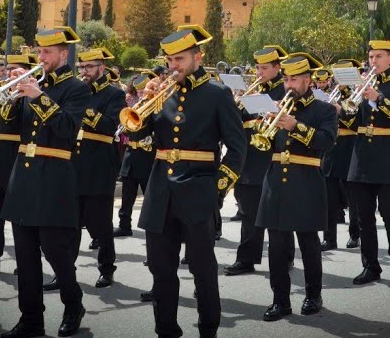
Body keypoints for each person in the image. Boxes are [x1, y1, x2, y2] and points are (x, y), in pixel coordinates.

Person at [127, 24, 246, 338]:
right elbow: (136, 132)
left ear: (198, 57)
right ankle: (166, 329)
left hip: (198, 190)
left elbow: (237, 149)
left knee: (202, 270)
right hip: (160, 192)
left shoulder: (218, 94)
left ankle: (208, 329)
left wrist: (216, 190)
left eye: (179, 59)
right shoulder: (161, 92)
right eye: (170, 60)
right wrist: (144, 100)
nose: (173, 66)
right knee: (160, 270)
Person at [0, 27, 91, 338]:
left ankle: (73, 303)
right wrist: (8, 96)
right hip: (24, 176)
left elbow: (66, 128)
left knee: (56, 251)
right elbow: (10, 125)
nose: (41, 58)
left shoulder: (77, 89)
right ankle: (31, 320)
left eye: (47, 52)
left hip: (54, 176)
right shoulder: (32, 85)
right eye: (40, 52)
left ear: (64, 55)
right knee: (24, 255)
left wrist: (38, 98)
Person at [254, 53, 337, 321]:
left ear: (308, 80)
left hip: (306, 182)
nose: (289, 85)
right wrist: (264, 125)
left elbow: (325, 142)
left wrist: (295, 126)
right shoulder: (279, 106)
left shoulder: (323, 110)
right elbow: (267, 145)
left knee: (309, 243)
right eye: (287, 79)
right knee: (276, 247)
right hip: (276, 181)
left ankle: (313, 295)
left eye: (294, 80)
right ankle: (280, 301)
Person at [347, 40, 390, 283]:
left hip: (388, 157)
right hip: (362, 157)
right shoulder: (362, 85)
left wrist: (379, 98)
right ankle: (371, 266)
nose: (372, 61)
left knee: (389, 212)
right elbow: (353, 123)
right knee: (364, 216)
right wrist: (341, 109)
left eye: (378, 56)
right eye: (371, 56)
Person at [223, 45, 288, 277]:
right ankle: (246, 259)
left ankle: (284, 257)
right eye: (257, 67)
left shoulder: (285, 89)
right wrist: (236, 103)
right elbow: (238, 121)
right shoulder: (255, 89)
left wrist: (270, 108)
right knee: (249, 211)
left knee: (277, 213)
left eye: (264, 68)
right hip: (250, 157)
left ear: (277, 67)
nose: (259, 72)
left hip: (273, 156)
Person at [68, 47, 126, 289]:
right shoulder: (75, 92)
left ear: (101, 68)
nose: (84, 72)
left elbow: (109, 125)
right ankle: (64, 273)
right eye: (81, 67)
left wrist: (84, 106)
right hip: (73, 165)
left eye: (89, 67)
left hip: (99, 165)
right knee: (68, 225)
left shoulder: (114, 94)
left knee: (100, 224)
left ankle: (106, 268)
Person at [0, 53, 33, 275]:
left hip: (14, 160)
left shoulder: (30, 98)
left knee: (19, 218)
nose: (9, 73)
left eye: (15, 69)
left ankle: (25, 263)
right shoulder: (1, 92)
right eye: (8, 69)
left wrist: (21, 94)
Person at [318, 62, 359, 251]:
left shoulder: (357, 95)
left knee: (353, 198)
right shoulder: (329, 94)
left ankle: (355, 234)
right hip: (330, 151)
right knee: (329, 199)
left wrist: (338, 110)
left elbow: (355, 123)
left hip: (349, 149)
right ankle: (329, 238)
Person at [116, 71, 157, 237]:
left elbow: (160, 131)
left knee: (151, 199)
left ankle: (152, 232)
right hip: (131, 156)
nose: (142, 96)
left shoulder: (156, 108)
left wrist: (151, 141)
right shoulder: (137, 107)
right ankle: (124, 225)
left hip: (147, 158)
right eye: (139, 93)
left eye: (144, 92)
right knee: (127, 196)